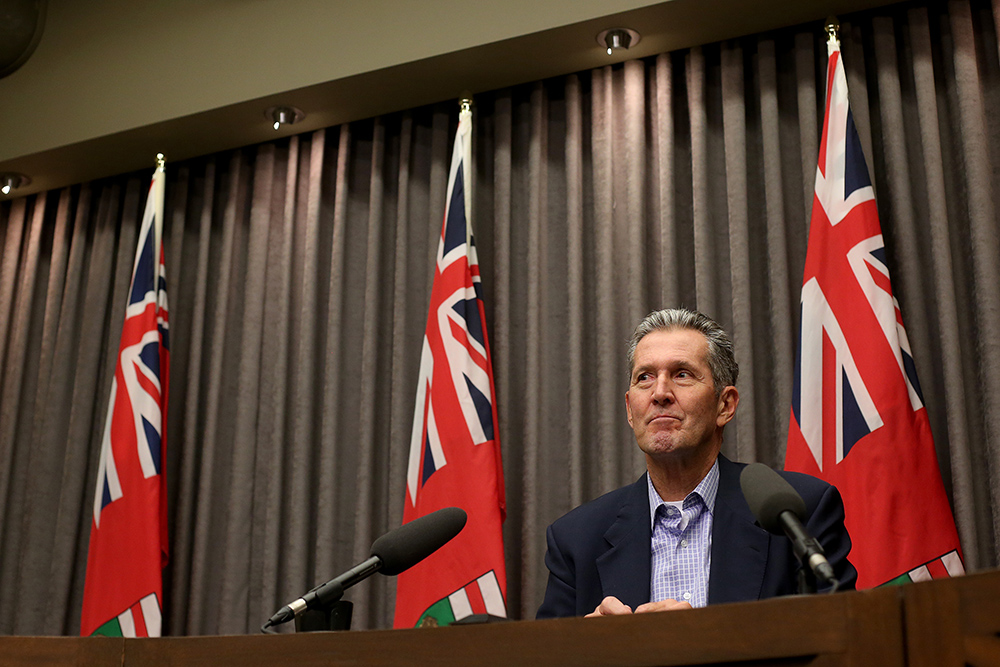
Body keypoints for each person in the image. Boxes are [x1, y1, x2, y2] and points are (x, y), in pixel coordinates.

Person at [536, 308, 856, 619]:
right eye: (645, 377)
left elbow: (843, 638)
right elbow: (544, 650)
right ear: (630, 410)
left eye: (682, 374)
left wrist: (701, 639)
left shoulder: (798, 514)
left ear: (725, 405)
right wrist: (589, 646)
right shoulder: (576, 539)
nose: (660, 393)